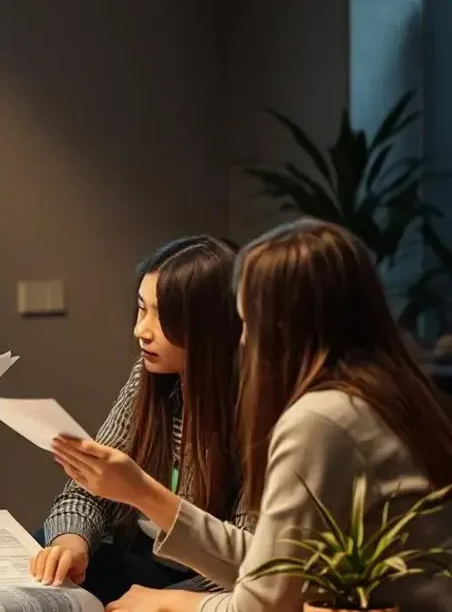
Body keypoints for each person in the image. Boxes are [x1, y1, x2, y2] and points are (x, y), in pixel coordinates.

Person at [52, 218, 452, 612]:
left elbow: (266, 598)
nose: (242, 339)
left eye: (247, 320)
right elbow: (271, 564)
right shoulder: (391, 391)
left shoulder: (317, 418)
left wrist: (174, 601)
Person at [31, 235, 250, 603]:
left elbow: (253, 563)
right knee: (48, 551)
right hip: (145, 557)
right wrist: (72, 541)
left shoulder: (256, 408)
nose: (141, 330)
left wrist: (166, 601)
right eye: (140, 308)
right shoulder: (148, 379)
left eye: (162, 316)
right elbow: (90, 490)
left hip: (215, 582)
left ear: (210, 325)